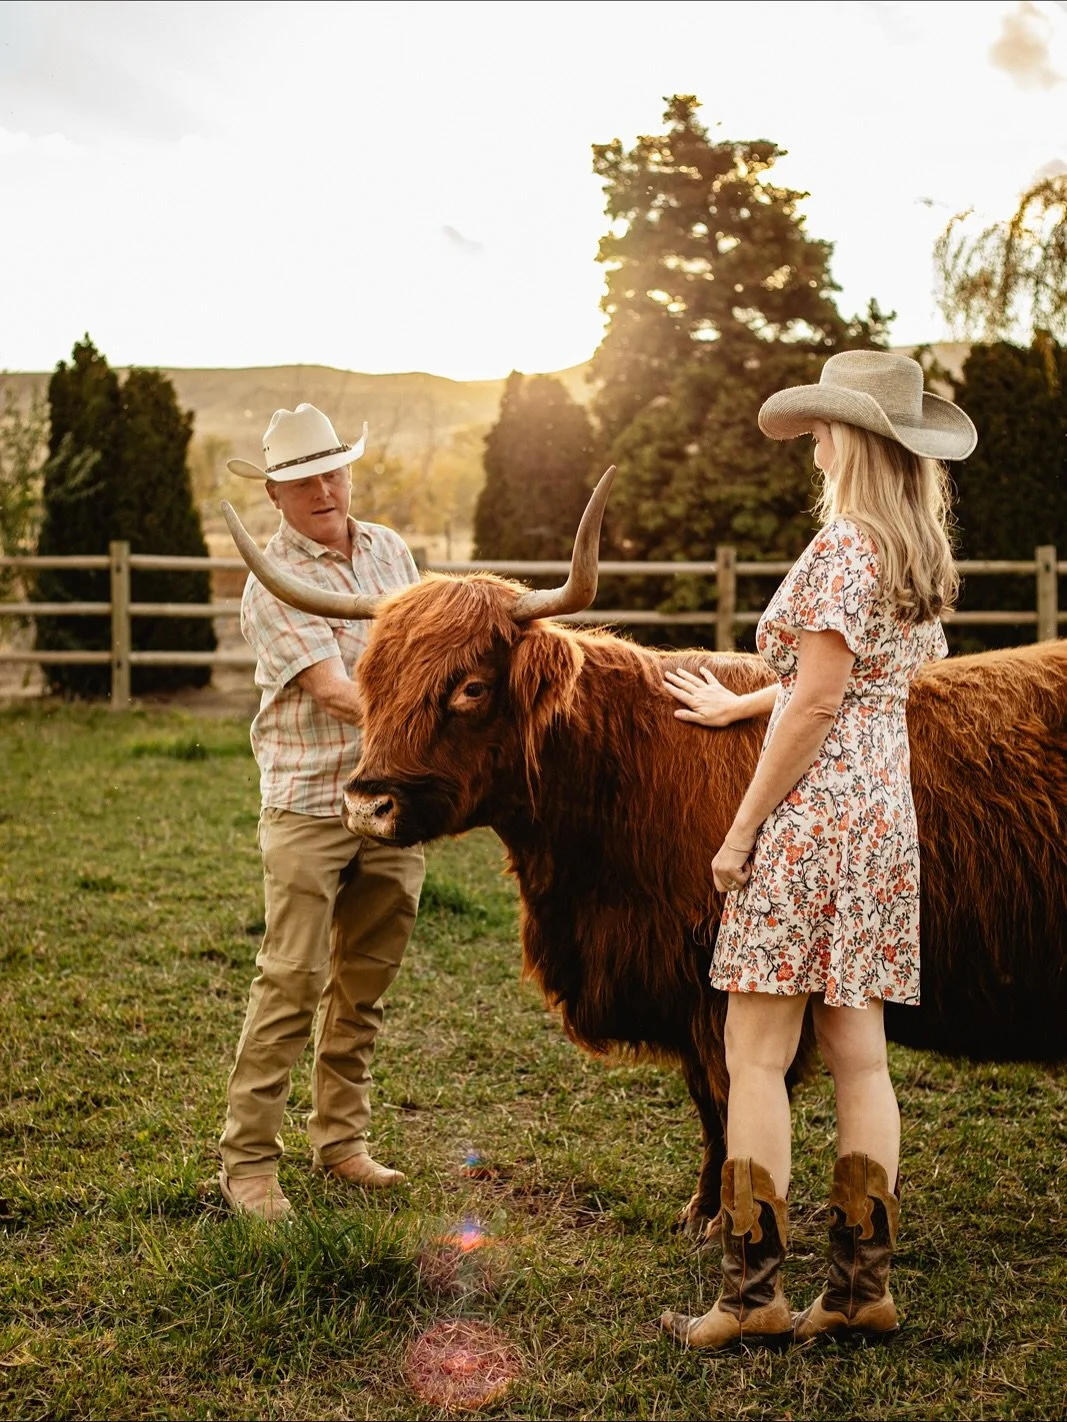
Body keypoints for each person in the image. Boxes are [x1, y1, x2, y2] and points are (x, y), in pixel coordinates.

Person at [659, 351, 977, 1347]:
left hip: (810, 823)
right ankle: (857, 1288)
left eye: (821, 432)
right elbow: (846, 682)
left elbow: (817, 704)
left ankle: (750, 1299)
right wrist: (741, 698)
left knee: (750, 1055)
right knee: (860, 1061)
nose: (813, 450)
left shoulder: (840, 549)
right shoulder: (912, 554)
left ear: (851, 441)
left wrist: (741, 828)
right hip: (883, 823)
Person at [218, 403, 425, 1222]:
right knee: (291, 981)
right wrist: (429, 720)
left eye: (332, 470)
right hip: (310, 802)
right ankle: (247, 1168)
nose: (323, 488)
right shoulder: (271, 582)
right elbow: (338, 693)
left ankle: (340, 1142)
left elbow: (420, 654)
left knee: (365, 981)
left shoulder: (389, 550)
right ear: (274, 492)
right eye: (302, 479)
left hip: (391, 801)